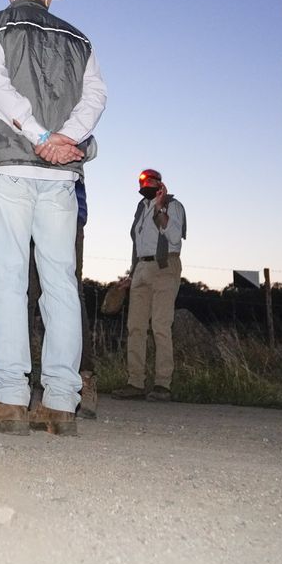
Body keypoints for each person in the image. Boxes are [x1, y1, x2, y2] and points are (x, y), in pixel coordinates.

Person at [0, 0, 107, 437]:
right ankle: (61, 402)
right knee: (60, 282)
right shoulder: (79, 39)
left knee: (9, 279)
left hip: (10, 161)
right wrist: (66, 138)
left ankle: (10, 398)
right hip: (60, 171)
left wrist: (40, 135)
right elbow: (96, 97)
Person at [111, 169, 186, 401]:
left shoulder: (173, 205)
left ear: (160, 184)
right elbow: (138, 245)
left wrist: (160, 208)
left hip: (165, 266)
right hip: (141, 269)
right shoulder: (141, 208)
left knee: (161, 326)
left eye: (150, 180)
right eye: (142, 181)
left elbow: (174, 237)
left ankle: (163, 384)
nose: (145, 184)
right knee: (135, 327)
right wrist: (132, 273)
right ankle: (135, 383)